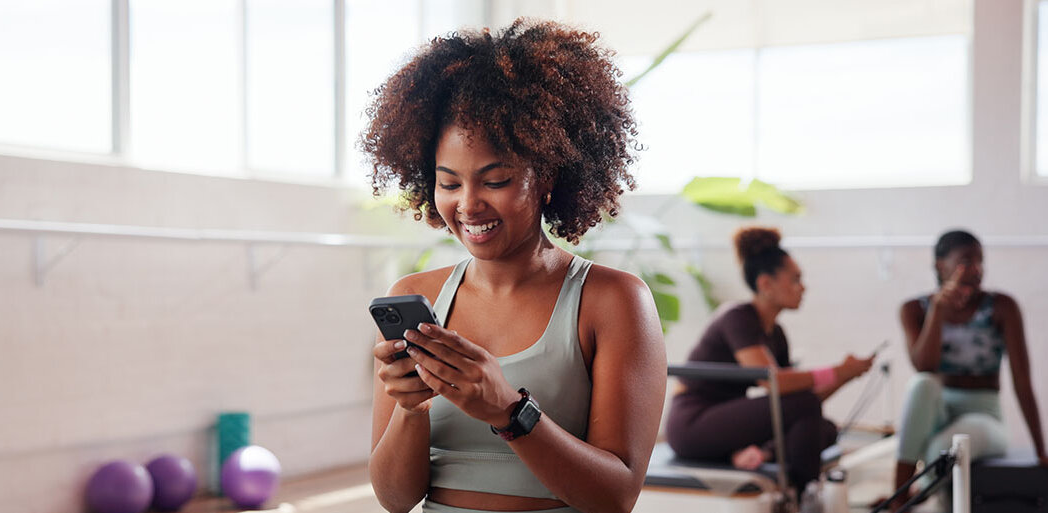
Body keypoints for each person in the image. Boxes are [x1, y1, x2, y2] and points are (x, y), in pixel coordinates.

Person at [362, 19, 667, 513]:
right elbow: (395, 499)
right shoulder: (417, 294)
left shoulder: (613, 301)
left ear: (546, 176)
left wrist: (509, 411)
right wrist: (412, 409)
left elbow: (616, 496)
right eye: (449, 183)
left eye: (495, 180)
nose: (468, 204)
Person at [665, 227, 874, 491]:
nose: (803, 287)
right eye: (795, 279)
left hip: (728, 426)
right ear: (765, 284)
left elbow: (794, 399)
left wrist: (845, 376)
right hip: (692, 424)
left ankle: (771, 464)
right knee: (806, 409)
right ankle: (803, 495)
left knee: (824, 428)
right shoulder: (737, 317)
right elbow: (774, 383)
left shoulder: (776, 334)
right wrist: (836, 371)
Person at [884, 229, 1047, 507]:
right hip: (938, 412)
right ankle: (898, 500)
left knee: (941, 451)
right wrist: (937, 310)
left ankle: (914, 497)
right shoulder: (915, 309)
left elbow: (1022, 380)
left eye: (980, 261)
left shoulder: (1002, 306)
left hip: (985, 416)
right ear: (940, 266)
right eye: (966, 261)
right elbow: (924, 365)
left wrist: (1040, 451)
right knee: (922, 384)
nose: (977, 270)